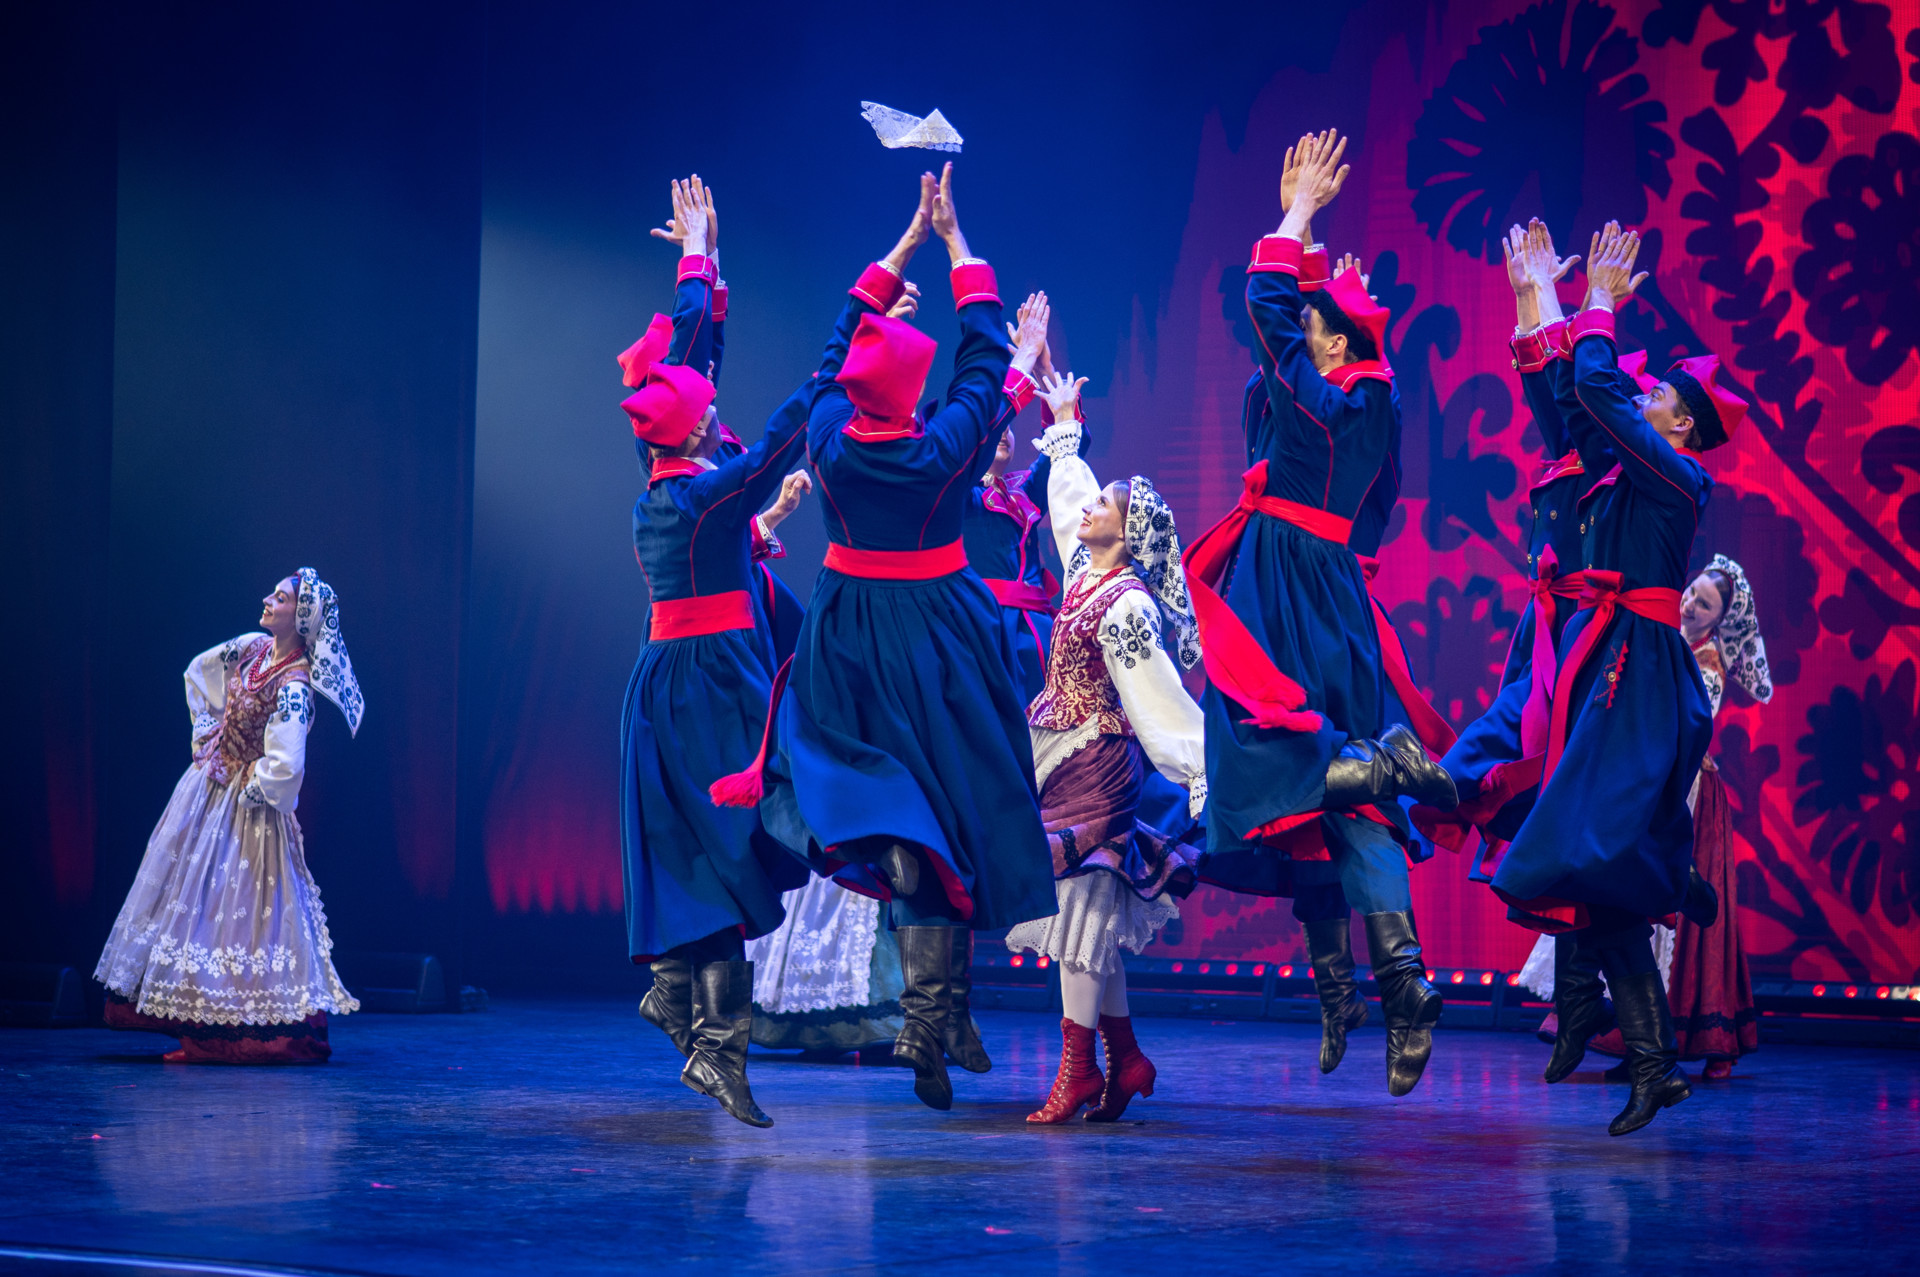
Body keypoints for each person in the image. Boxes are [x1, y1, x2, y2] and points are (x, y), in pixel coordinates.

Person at [712, 165, 1057, 1112]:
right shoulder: (942, 449)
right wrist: (954, 242)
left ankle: (933, 1011)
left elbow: (833, 353)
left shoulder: (828, 433)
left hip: (847, 637)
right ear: (913, 398)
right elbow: (985, 359)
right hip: (937, 638)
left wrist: (901, 245)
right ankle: (932, 1014)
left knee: (887, 802)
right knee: (956, 808)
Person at [1185, 129, 1456, 1097]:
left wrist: (1295, 214)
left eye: (1315, 324)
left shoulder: (1324, 408)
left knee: (1259, 758)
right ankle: (1395, 987)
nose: (1298, 328)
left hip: (1286, 595)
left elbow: (1263, 314)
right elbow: (1365, 496)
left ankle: (1387, 767)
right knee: (1340, 810)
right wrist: (1319, 285)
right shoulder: (1368, 407)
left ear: (1334, 345)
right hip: (1337, 590)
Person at [1489, 222, 1747, 1135]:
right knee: (1589, 867)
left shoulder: (1674, 477)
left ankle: (1665, 892)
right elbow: (1573, 408)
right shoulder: (1632, 471)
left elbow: (1600, 391)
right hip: (1607, 665)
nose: (1645, 398)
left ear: (1681, 426)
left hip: (1639, 676)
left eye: (1659, 396)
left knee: (1587, 854)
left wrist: (1598, 300)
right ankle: (1649, 1056)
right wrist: (1539, 304)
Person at [619, 177, 824, 1128]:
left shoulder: (664, 470)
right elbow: (777, 439)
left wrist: (699, 260)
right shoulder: (703, 495)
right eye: (708, 410)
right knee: (732, 855)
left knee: (707, 861)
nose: (713, 408)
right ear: (700, 428)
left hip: (678, 681)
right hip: (706, 687)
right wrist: (851, 354)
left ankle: (691, 1015)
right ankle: (713, 1042)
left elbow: (685, 361)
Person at [1005, 368, 1207, 1124]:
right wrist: (1063, 424)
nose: (1088, 506)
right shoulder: (1085, 574)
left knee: (1080, 918)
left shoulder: (1125, 604)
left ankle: (1078, 1072)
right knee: (1089, 921)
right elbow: (1067, 502)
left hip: (1097, 768)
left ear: (1123, 536)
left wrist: (1195, 769)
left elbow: (1156, 694)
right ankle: (1126, 1058)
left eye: (1105, 505)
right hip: (1064, 757)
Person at [96, 570, 363, 1063]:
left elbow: (287, 765)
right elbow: (199, 672)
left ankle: (229, 1033)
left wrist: (253, 785)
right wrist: (210, 736)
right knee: (194, 904)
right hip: (209, 791)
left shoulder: (295, 685)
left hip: (249, 810)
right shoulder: (251, 648)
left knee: (238, 915)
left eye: (279, 597)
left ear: (301, 618)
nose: (267, 600)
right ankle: (193, 1021)